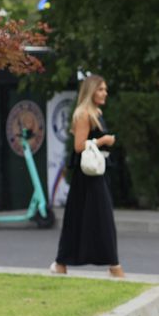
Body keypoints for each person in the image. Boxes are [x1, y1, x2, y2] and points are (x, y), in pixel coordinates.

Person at [51, 74, 124, 278]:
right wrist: (103, 141)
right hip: (87, 175)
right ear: (91, 91)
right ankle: (114, 266)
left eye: (105, 89)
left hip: (97, 172)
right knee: (102, 218)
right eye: (100, 89)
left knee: (81, 217)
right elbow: (78, 146)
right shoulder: (83, 114)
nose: (105, 93)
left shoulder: (96, 113)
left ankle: (61, 262)